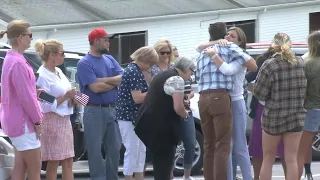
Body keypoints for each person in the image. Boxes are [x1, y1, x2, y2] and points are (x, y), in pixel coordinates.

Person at [196, 22, 256, 180]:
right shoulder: (228, 49)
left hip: (211, 98)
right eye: (227, 34)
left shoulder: (206, 51)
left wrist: (215, 52)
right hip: (222, 98)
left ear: (240, 41)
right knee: (223, 145)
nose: (228, 37)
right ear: (222, 35)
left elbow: (243, 67)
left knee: (215, 144)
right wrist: (219, 49)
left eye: (232, 36)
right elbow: (250, 65)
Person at [254, 32, 307, 180]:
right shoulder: (300, 62)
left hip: (274, 117)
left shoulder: (269, 64)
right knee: (291, 159)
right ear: (290, 44)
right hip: (296, 116)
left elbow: (260, 93)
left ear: (273, 45)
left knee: (268, 158)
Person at [135, 57, 195, 180]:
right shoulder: (177, 79)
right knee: (164, 166)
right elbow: (178, 107)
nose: (191, 75)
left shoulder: (162, 75)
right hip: (162, 128)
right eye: (192, 71)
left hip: (147, 123)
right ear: (186, 68)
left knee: (157, 162)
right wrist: (186, 115)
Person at [77, 28, 123, 180]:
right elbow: (95, 88)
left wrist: (103, 80)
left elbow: (123, 78)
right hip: (94, 110)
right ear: (96, 41)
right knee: (95, 150)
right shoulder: (84, 63)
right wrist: (113, 82)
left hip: (113, 109)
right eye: (105, 39)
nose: (108, 42)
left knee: (115, 148)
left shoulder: (110, 59)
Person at [0, 20, 43, 180]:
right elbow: (26, 98)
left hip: (15, 121)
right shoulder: (17, 62)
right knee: (34, 170)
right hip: (23, 123)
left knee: (20, 166)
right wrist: (38, 121)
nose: (31, 38)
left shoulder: (11, 59)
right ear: (20, 38)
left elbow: (19, 92)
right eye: (29, 35)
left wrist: (34, 91)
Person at [35, 39, 76, 180]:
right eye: (62, 53)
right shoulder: (42, 76)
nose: (63, 56)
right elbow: (44, 105)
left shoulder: (58, 71)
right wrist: (65, 97)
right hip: (52, 121)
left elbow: (66, 92)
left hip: (65, 120)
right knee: (53, 161)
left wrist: (72, 98)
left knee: (68, 159)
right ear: (52, 55)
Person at [116, 46, 158, 180]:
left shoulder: (134, 70)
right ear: (145, 59)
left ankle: (139, 176)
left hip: (134, 116)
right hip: (128, 117)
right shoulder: (134, 71)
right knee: (132, 149)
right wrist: (154, 91)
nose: (150, 67)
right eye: (150, 64)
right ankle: (129, 177)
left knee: (140, 149)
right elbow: (137, 97)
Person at [246, 47, 287, 180]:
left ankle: (257, 177)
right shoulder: (293, 62)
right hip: (284, 109)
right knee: (286, 150)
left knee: (260, 148)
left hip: (263, 107)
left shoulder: (264, 61)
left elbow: (248, 79)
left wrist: (254, 89)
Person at [297, 30, 320, 180]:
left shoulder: (304, 60)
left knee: (303, 146)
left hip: (310, 107)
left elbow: (302, 89)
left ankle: (307, 173)